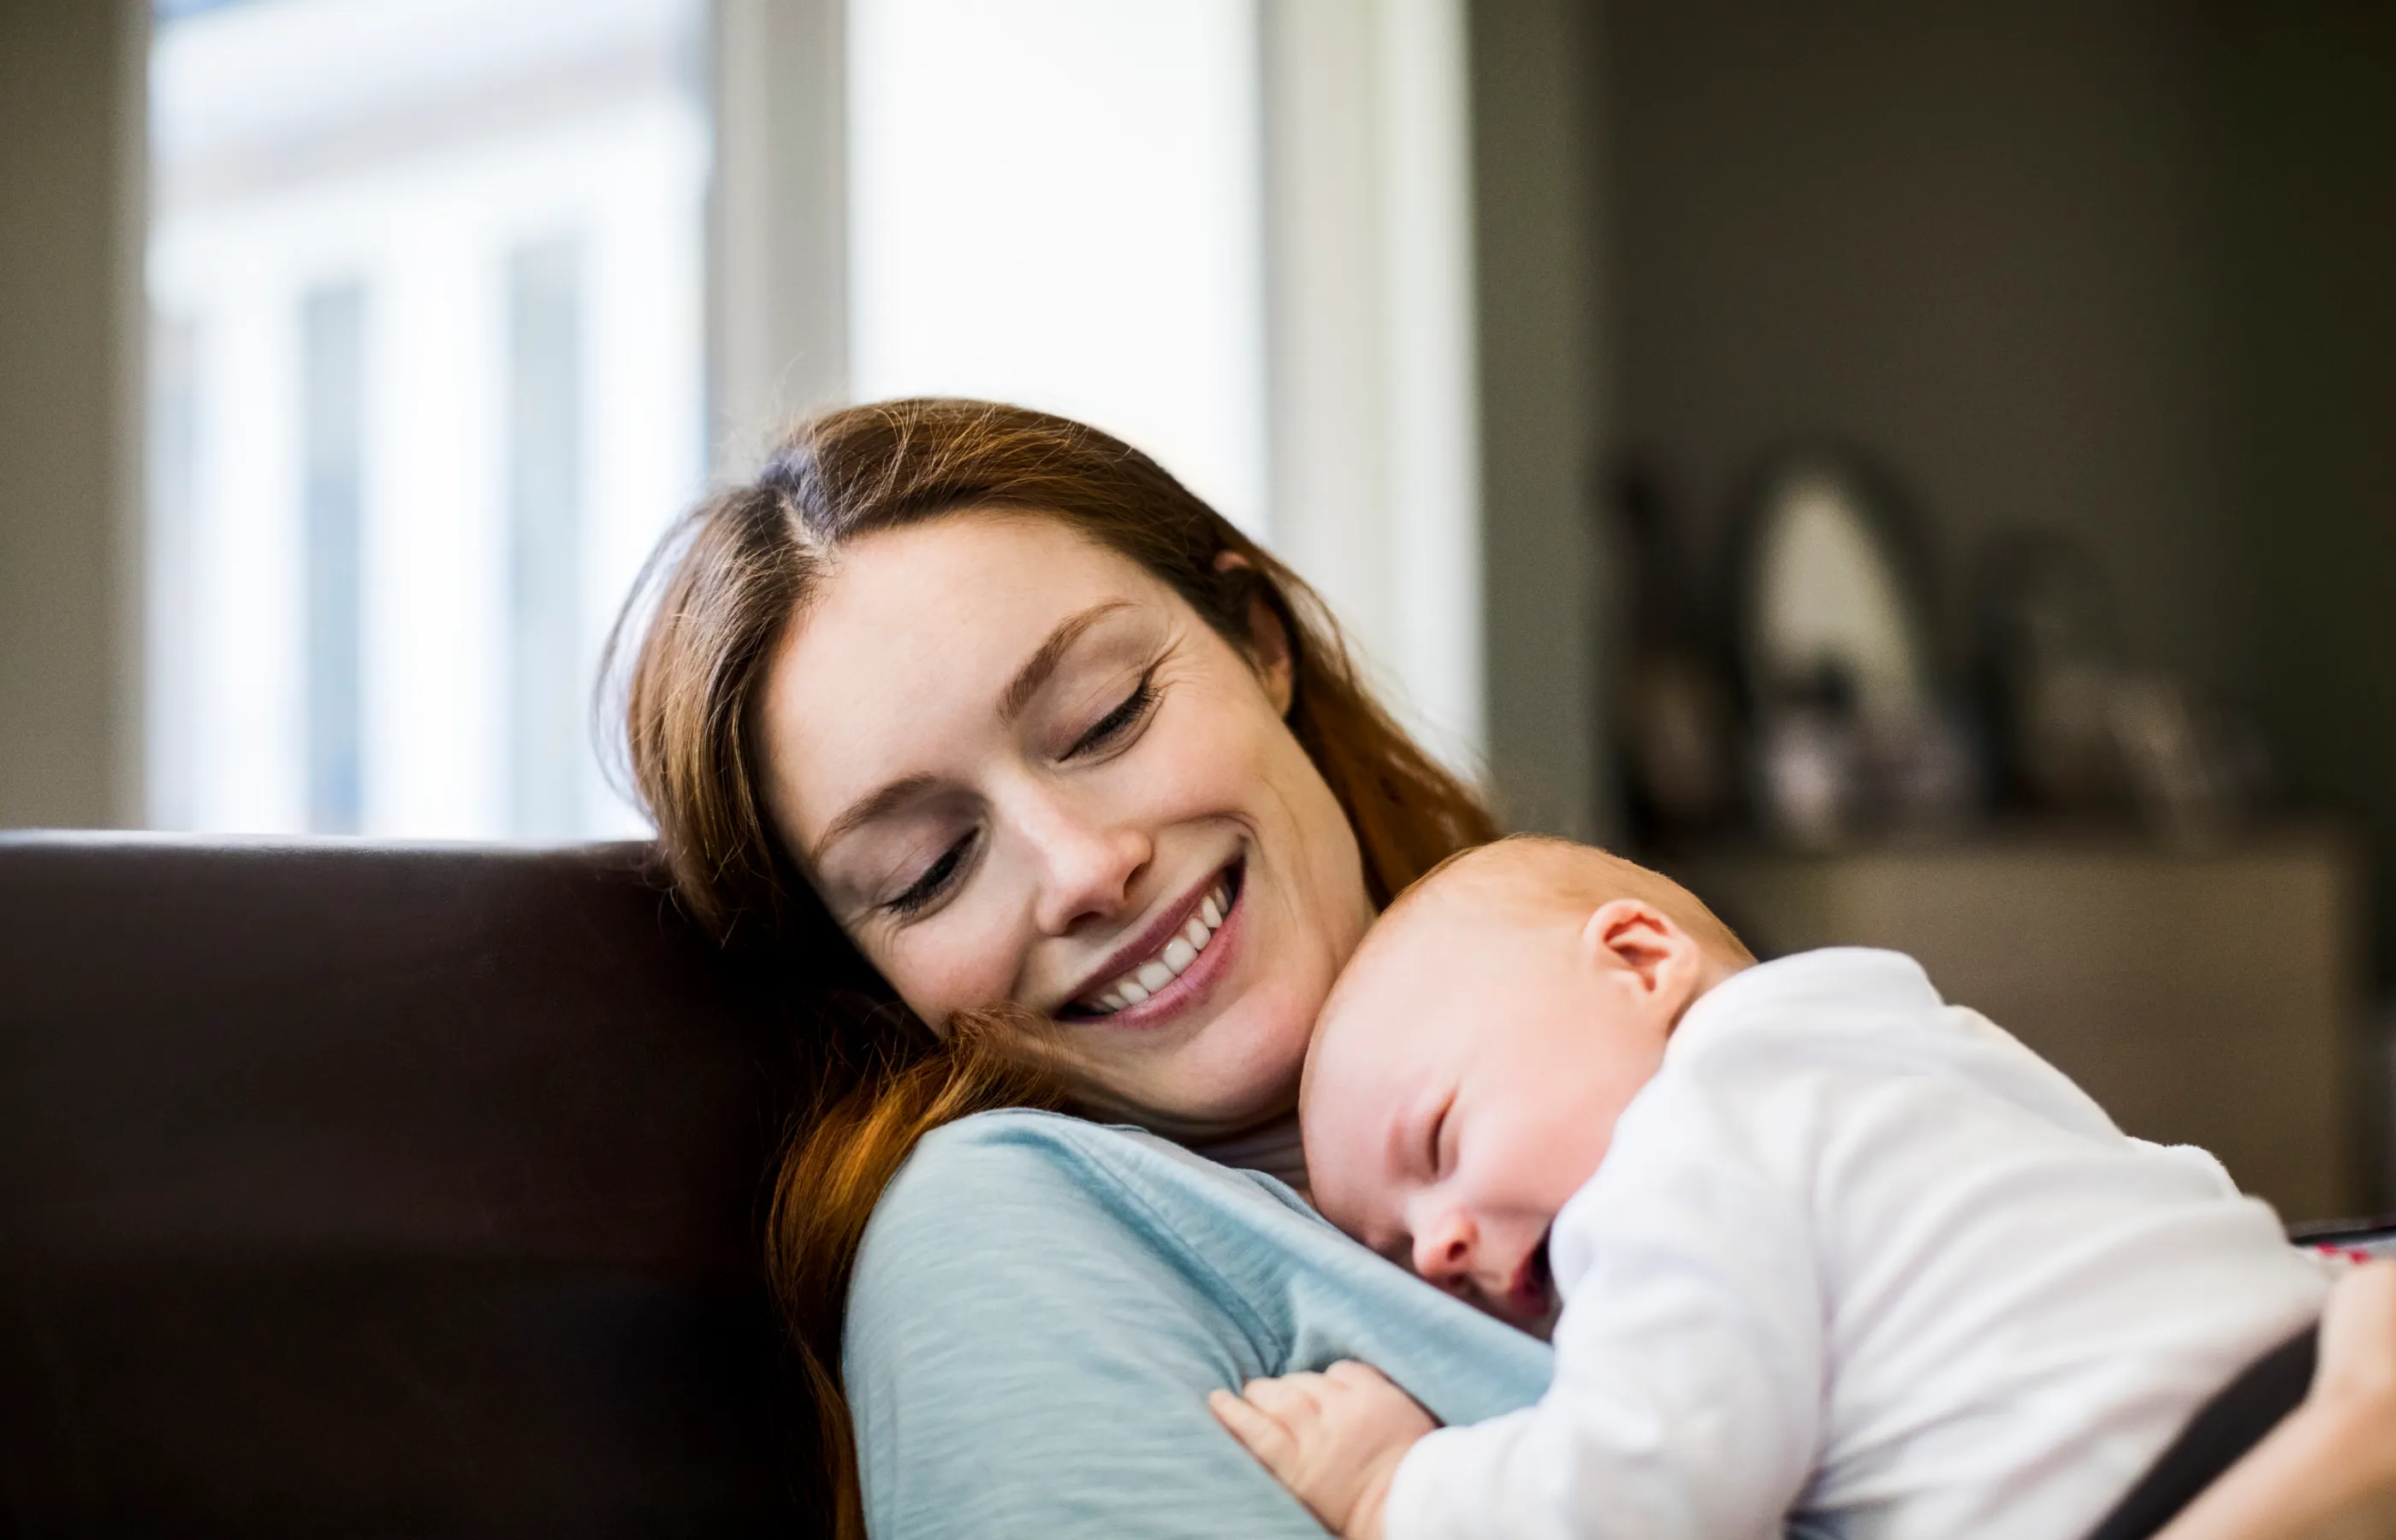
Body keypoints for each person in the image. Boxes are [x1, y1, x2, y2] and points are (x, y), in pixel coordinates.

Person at [607, 398, 2396, 1540]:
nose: (1080, 869)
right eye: (923, 869)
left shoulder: (1624, 1039)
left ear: (1255, 646)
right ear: (862, 968)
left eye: (1106, 714)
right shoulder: (1004, 1233)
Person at [1208, 838, 2330, 1539]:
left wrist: (1390, 1489)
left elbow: (1646, 1496)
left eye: (1442, 1141)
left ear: (1643, 963)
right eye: (1399, 1253)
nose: (1439, 1250)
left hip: (2169, 1483)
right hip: (2299, 1364)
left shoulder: (1684, 1145)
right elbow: (2172, 1185)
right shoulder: (1907, 1045)